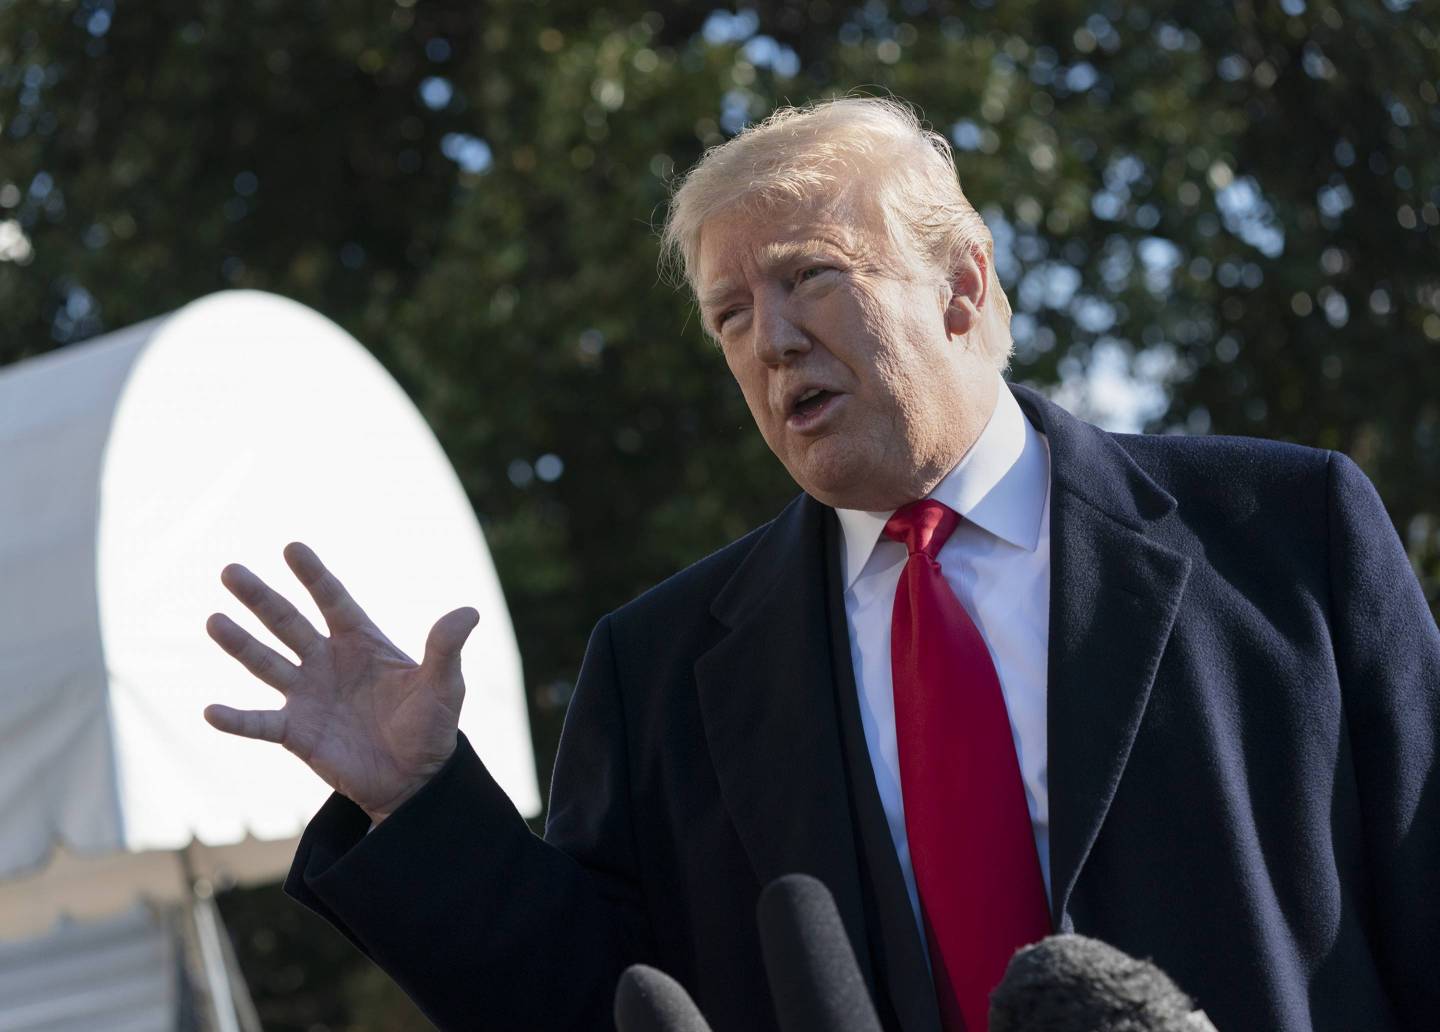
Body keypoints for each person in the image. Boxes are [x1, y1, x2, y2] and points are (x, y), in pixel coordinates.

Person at [204, 98, 1440, 1032]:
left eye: (811, 278)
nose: (772, 339)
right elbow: (603, 1004)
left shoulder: (1286, 533)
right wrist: (419, 809)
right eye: (730, 314)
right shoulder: (662, 667)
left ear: (961, 288)